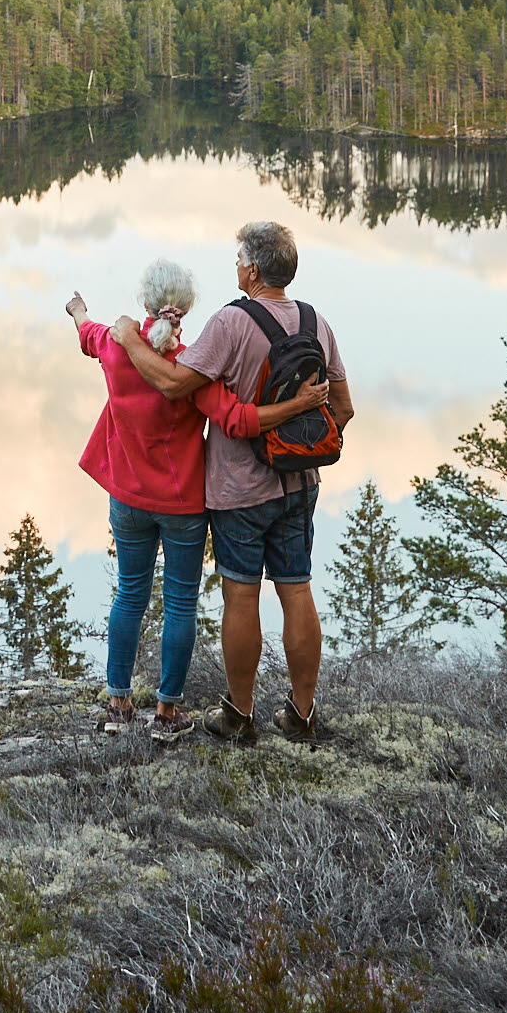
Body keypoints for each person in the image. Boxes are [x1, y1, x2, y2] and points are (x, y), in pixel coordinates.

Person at [68, 258, 329, 746]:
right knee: (181, 602)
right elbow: (239, 421)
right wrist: (297, 408)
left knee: (130, 593)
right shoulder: (193, 369)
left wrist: (79, 311)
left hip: (127, 498)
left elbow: (88, 335)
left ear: (145, 303)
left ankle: (118, 703)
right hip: (184, 504)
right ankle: (167, 712)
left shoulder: (115, 345)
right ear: (184, 309)